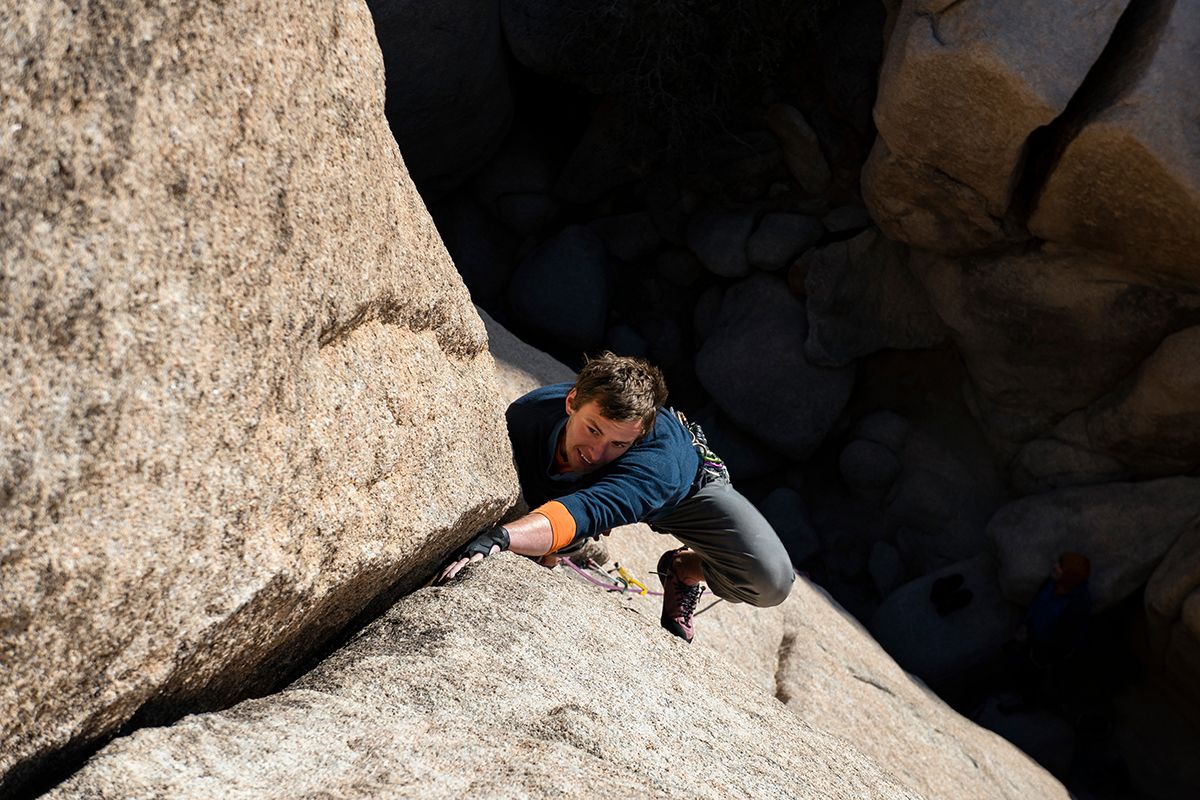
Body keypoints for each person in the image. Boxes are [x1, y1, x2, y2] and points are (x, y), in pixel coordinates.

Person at [438, 352, 794, 642]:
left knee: (770, 580)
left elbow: (590, 508)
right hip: (596, 484)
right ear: (572, 401)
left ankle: (683, 569)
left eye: (618, 443)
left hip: (686, 493)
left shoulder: (660, 467)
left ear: (638, 438)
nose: (595, 451)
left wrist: (502, 538)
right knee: (551, 540)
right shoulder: (529, 415)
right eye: (592, 429)